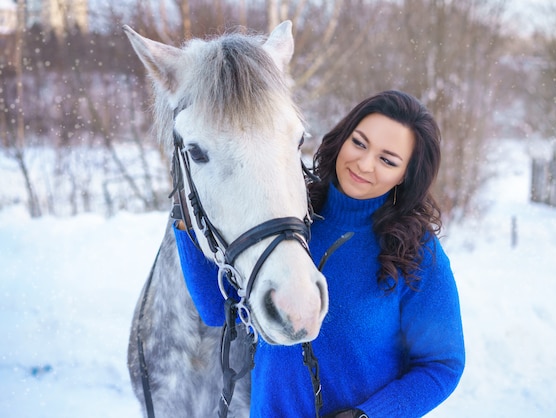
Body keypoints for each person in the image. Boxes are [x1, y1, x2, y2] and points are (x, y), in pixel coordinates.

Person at [174, 90, 465, 417]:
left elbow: (443, 364)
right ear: (343, 137)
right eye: (359, 143)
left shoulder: (415, 250)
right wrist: (184, 220)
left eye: (387, 160)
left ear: (406, 175)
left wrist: (369, 415)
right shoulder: (290, 219)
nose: (364, 164)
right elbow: (218, 310)